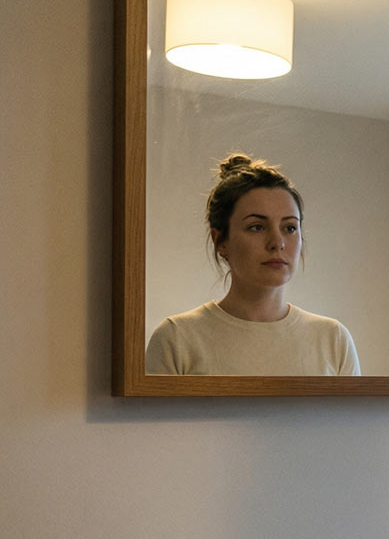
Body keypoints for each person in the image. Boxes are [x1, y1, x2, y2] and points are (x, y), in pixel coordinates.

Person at [145, 154, 361, 376]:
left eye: (290, 228)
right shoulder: (177, 338)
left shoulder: (333, 339)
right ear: (220, 241)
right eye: (257, 227)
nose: (277, 243)